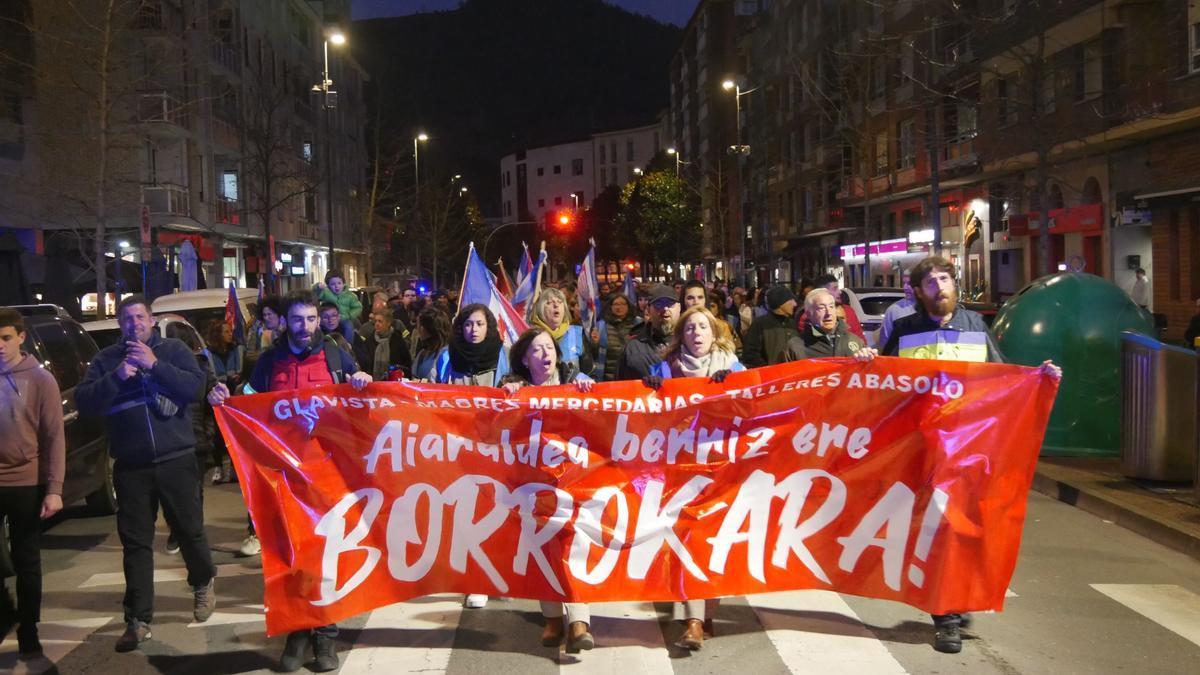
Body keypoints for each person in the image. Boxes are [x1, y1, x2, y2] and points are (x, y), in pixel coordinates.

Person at [859, 256, 1061, 655]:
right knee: (936, 531)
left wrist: (1038, 379)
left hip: (967, 451)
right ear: (918, 291)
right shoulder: (904, 330)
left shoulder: (974, 327)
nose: (939, 285)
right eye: (930, 281)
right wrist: (868, 364)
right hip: (921, 452)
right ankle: (947, 615)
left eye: (945, 277)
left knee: (961, 529)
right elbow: (881, 387)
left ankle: (952, 602)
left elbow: (1002, 380)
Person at [207, 292, 370, 672]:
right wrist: (221, 398)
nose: (306, 327)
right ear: (285, 322)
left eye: (311, 319)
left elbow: (362, 404)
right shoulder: (268, 362)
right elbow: (245, 404)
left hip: (327, 474)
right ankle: (298, 632)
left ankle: (326, 636)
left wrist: (363, 380)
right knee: (291, 555)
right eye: (297, 319)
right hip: (282, 477)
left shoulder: (336, 357)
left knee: (326, 555)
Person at [75, 295, 216, 653]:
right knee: (136, 544)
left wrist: (154, 365)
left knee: (189, 530)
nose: (133, 324)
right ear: (119, 325)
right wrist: (118, 377)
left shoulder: (172, 350)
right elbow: (86, 401)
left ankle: (202, 581)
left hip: (176, 458)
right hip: (132, 466)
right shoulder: (106, 360)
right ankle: (138, 619)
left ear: (151, 321)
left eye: (139, 317)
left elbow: (195, 388)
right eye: (126, 319)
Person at [639, 306, 743, 650]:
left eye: (703, 327)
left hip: (722, 467)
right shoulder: (664, 369)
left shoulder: (735, 368)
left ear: (715, 334)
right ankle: (694, 621)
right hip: (680, 469)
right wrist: (652, 389)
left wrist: (736, 388)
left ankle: (706, 613)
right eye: (690, 329)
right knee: (688, 539)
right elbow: (646, 416)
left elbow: (758, 406)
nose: (697, 333)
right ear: (681, 336)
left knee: (713, 542)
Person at [500, 327, 596, 653]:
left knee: (572, 545)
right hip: (533, 483)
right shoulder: (516, 389)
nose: (546, 355)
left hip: (573, 479)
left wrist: (588, 390)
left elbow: (600, 413)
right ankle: (553, 619)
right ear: (525, 359)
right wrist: (509, 394)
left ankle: (580, 620)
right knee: (544, 548)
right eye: (537, 350)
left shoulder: (575, 380)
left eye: (549, 348)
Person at [431, 304, 509, 610]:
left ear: (489, 326)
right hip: (459, 448)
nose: (472, 330)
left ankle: (498, 572)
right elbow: (432, 396)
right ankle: (476, 581)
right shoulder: (448, 356)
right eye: (467, 325)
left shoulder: (503, 354)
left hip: (498, 446)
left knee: (499, 513)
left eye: (478, 324)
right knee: (467, 515)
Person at [0, 307, 65, 660]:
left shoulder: (40, 379)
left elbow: (54, 436)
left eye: (5, 338)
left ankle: (28, 628)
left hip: (26, 481)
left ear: (21, 338)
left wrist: (54, 489)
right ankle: (4, 614)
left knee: (26, 559)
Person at [780, 289, 867, 360]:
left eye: (831, 306)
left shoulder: (855, 342)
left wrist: (866, 361)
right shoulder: (795, 347)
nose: (828, 313)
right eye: (821, 308)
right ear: (808, 313)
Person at [615, 284, 680, 380]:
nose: (665, 309)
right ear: (648, 310)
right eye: (658, 304)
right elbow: (621, 387)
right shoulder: (632, 349)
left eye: (670, 304)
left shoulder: (691, 344)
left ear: (679, 308)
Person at [206, 322, 243, 484]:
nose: (230, 334)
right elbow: (211, 376)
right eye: (226, 331)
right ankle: (218, 468)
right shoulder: (209, 353)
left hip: (235, 395)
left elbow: (241, 370)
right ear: (217, 334)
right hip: (219, 396)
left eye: (230, 331)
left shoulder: (237, 349)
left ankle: (235, 469)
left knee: (235, 434)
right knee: (219, 435)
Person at [529, 287, 593, 376]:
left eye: (560, 302)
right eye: (550, 302)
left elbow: (590, 373)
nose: (556, 305)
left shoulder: (577, 333)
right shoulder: (530, 337)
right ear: (540, 309)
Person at [741, 285, 800, 368]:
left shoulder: (793, 324)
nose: (795, 304)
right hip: (770, 377)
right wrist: (768, 369)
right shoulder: (760, 324)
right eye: (791, 300)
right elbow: (750, 354)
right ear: (780, 303)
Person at [591, 293, 640, 381]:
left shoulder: (639, 323)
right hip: (609, 378)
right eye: (616, 304)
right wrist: (595, 343)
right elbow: (594, 355)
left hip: (633, 377)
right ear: (611, 307)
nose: (619, 307)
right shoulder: (601, 325)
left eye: (622, 304)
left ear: (628, 306)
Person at [355, 308, 413, 382]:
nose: (377, 324)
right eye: (375, 321)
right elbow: (365, 363)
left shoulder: (397, 341)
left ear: (388, 323)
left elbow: (406, 363)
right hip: (373, 383)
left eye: (380, 321)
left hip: (394, 383)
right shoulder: (370, 340)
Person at [809, 274, 866, 341]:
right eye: (835, 288)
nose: (840, 292)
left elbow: (859, 338)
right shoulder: (810, 314)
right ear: (823, 291)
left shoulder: (848, 311)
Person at [313, 270, 362, 341]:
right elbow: (315, 295)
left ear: (343, 283)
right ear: (328, 286)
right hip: (328, 318)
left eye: (339, 283)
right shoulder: (326, 293)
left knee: (348, 327)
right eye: (333, 284)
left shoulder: (350, 296)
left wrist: (349, 315)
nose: (337, 286)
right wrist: (318, 287)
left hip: (344, 317)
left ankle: (348, 344)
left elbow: (358, 307)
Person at [877, 272, 918, 349]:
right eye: (904, 283)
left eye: (909, 283)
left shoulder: (933, 308)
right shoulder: (893, 310)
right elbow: (884, 344)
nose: (905, 287)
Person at [411, 308, 452, 380]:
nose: (418, 330)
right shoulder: (422, 354)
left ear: (423, 329)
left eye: (418, 325)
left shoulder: (446, 355)